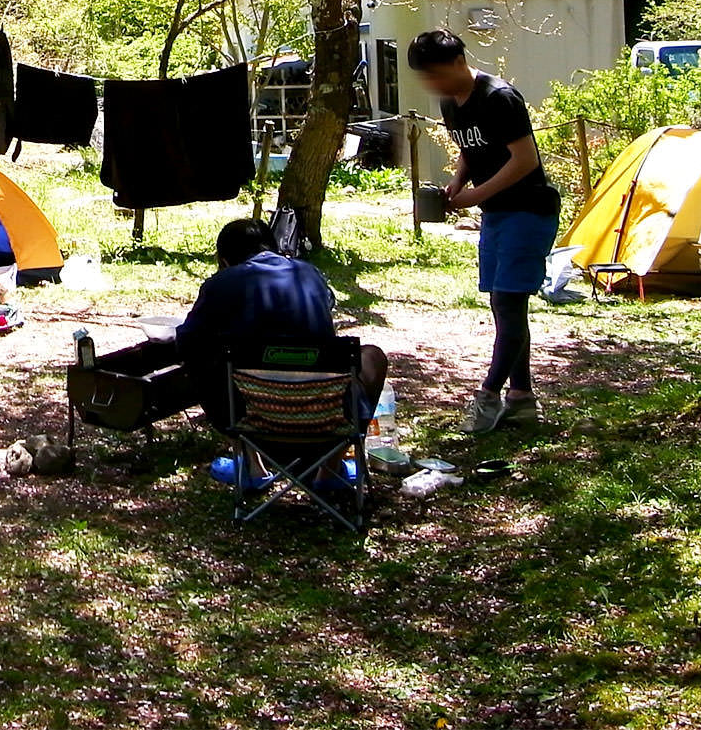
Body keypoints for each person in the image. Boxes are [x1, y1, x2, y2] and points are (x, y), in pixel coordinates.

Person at [406, 27, 561, 434]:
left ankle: (488, 396)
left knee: (509, 306)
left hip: (528, 211)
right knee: (504, 306)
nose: (434, 85)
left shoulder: (499, 98)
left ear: (459, 62)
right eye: (428, 78)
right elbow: (471, 149)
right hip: (497, 213)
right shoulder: (450, 103)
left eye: (438, 74)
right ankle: (522, 400)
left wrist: (477, 196)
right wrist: (459, 180)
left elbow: (525, 159)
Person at [177, 218, 389, 482]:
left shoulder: (221, 283)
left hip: (256, 420)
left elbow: (186, 342)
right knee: (373, 355)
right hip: (328, 417)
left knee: (208, 358)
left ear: (224, 260)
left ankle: (253, 467)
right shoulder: (309, 273)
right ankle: (329, 469)